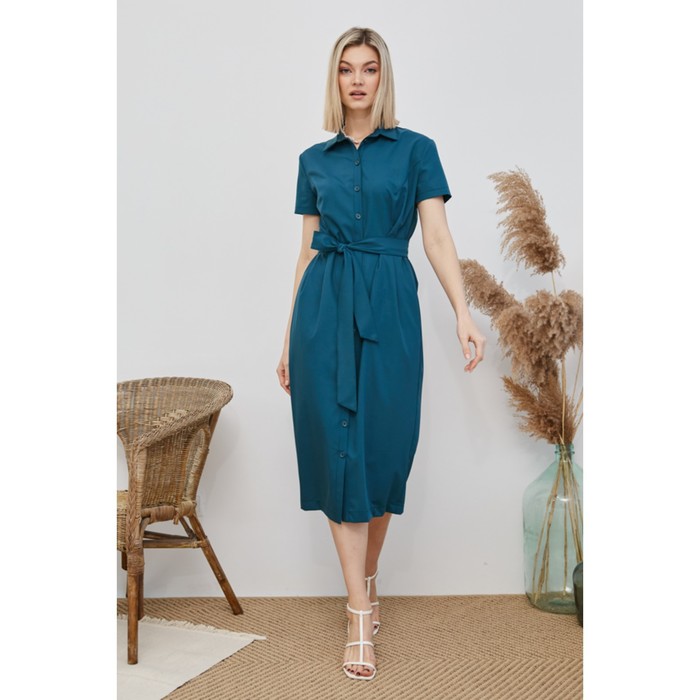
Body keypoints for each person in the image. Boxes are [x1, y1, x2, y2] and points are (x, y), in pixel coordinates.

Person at [276, 26, 486, 680]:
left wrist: (463, 312)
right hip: (323, 311)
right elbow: (306, 252)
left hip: (391, 304)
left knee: (385, 451)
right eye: (347, 69)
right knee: (336, 453)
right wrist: (287, 336)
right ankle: (359, 613)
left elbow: (437, 238)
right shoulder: (314, 159)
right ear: (335, 79)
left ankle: (366, 580)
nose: (358, 80)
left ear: (382, 77)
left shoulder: (417, 150)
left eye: (368, 68)